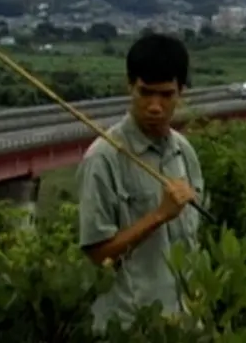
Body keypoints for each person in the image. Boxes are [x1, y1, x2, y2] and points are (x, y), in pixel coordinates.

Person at [76, 32, 205, 331]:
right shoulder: (103, 158)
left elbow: (193, 238)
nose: (155, 106)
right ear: (130, 86)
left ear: (181, 91)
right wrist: (159, 215)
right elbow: (97, 255)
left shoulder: (183, 152)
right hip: (130, 327)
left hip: (184, 325)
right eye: (145, 92)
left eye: (165, 94)